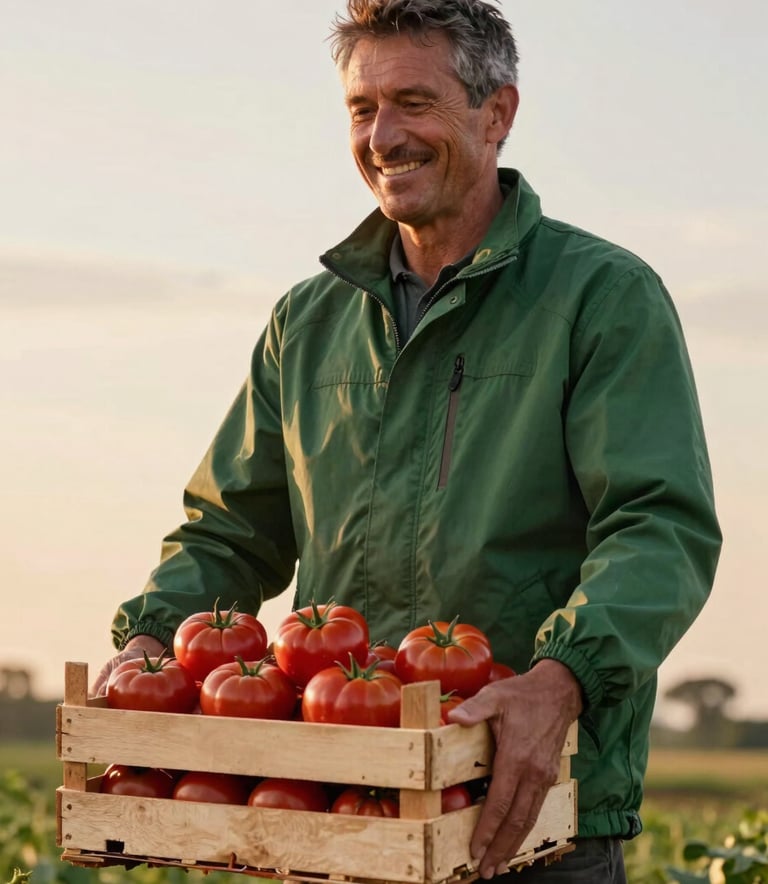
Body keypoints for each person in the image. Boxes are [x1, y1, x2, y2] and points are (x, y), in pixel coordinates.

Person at [92, 1, 721, 880]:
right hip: (339, 809)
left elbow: (659, 527)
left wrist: (561, 678)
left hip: (520, 807)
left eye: (414, 102)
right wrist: (154, 635)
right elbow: (231, 527)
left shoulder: (601, 298)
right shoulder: (306, 323)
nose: (383, 135)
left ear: (495, 113)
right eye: (361, 108)